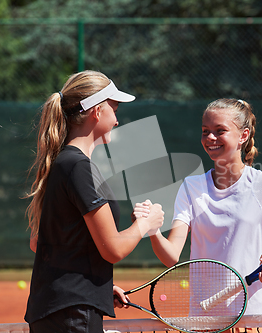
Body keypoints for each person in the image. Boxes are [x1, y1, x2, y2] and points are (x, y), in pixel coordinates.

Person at [24, 70, 164, 333]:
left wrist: (95, 286)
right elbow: (112, 249)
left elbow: (42, 243)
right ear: (97, 112)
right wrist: (146, 223)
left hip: (57, 310)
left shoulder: (62, 163)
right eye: (115, 109)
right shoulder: (79, 167)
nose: (117, 120)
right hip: (73, 315)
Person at [135, 98, 262, 315]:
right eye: (205, 131)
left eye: (220, 130)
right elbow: (171, 257)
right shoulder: (191, 188)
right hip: (204, 318)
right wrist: (152, 230)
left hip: (255, 317)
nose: (210, 138)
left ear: (244, 135)